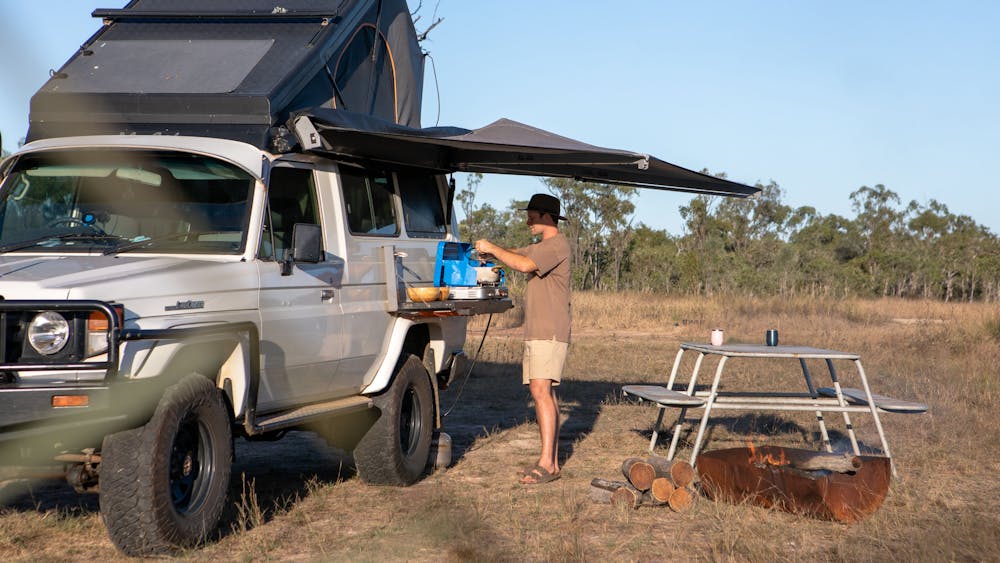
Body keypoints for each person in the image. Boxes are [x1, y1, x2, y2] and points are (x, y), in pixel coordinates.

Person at [474, 193, 571, 485]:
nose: (527, 220)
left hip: (549, 331)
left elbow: (524, 264)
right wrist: (492, 254)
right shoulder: (543, 247)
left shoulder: (555, 245)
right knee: (545, 393)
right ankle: (550, 462)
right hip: (542, 331)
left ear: (545, 216)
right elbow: (519, 253)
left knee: (540, 392)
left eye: (531, 215)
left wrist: (492, 247)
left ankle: (547, 464)